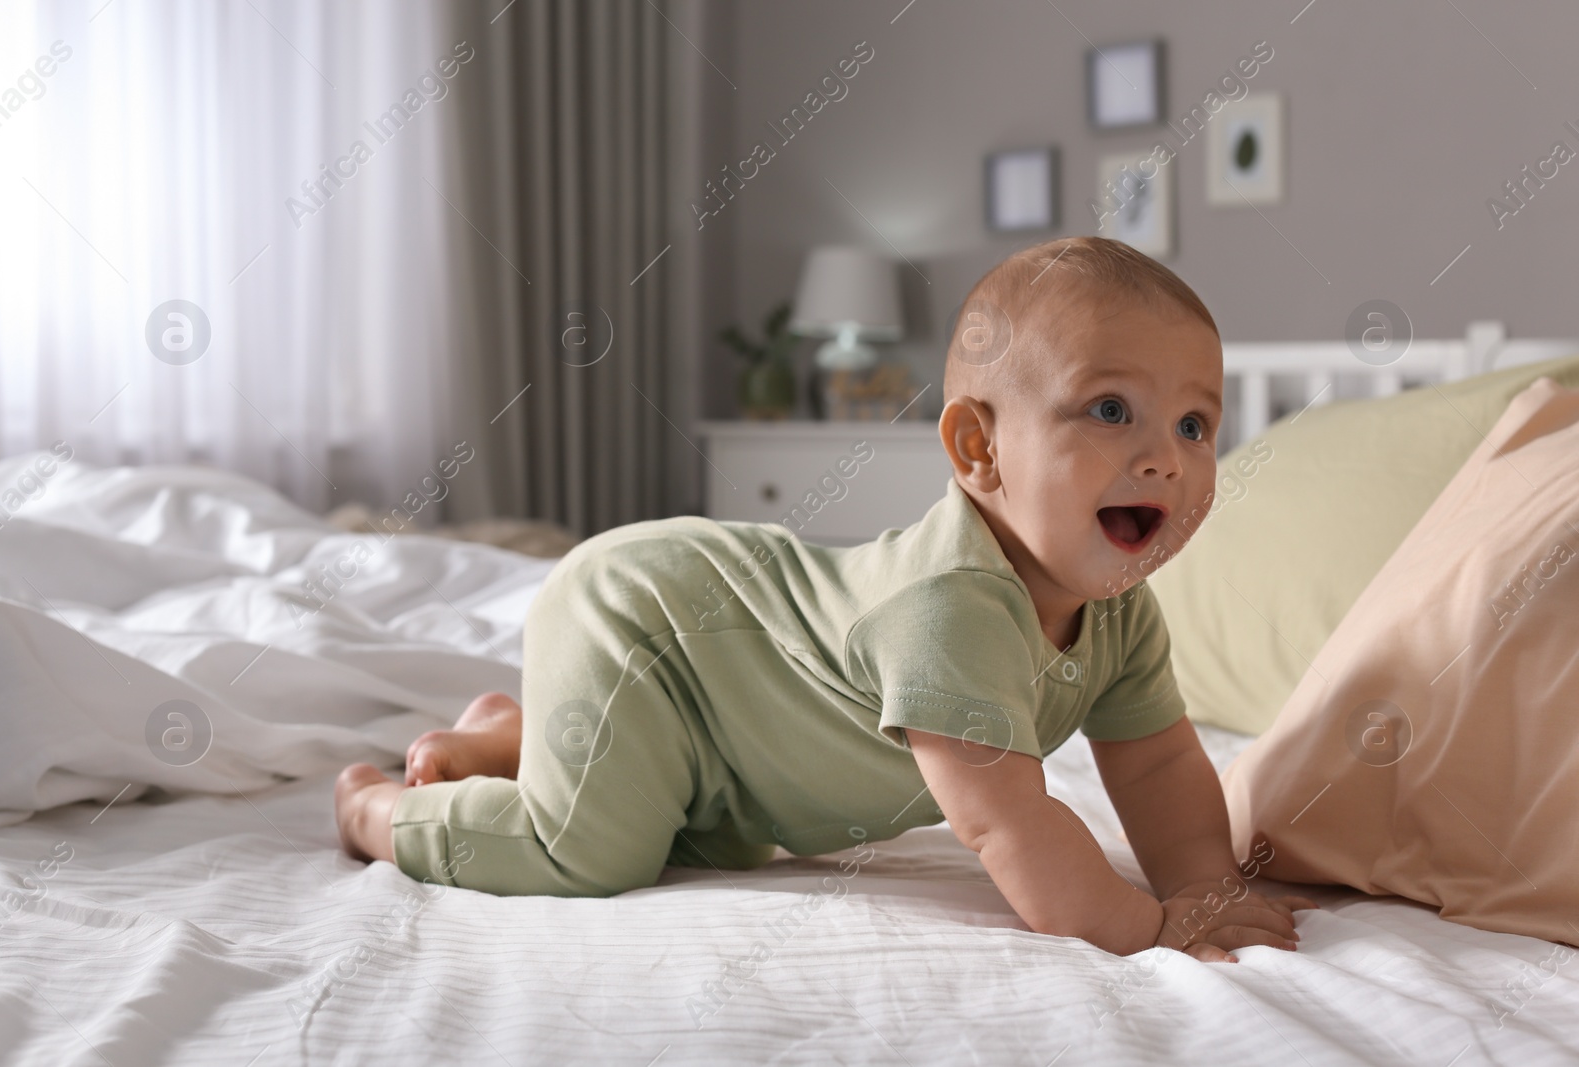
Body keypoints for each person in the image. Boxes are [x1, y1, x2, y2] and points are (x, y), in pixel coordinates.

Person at [334, 236, 1317, 961]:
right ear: (978, 450)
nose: (1165, 456)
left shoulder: (1120, 615)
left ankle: (518, 733)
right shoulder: (952, 608)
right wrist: (1152, 927)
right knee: (593, 850)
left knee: (706, 834)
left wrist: (1200, 883)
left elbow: (1154, 768)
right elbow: (1010, 825)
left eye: (1196, 424)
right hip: (651, 626)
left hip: (731, 743)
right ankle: (384, 813)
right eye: (1111, 409)